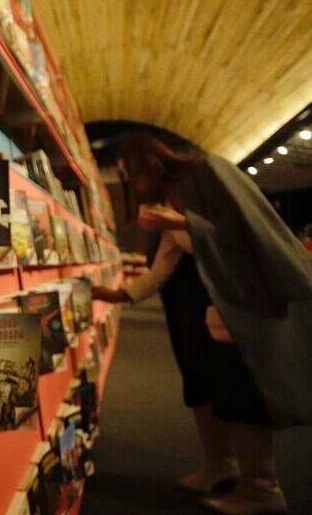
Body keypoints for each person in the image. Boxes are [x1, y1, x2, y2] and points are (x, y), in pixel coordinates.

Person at [95, 135, 312, 514]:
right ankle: (220, 466)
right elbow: (164, 263)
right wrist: (117, 295)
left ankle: (262, 488)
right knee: (203, 385)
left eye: (131, 175)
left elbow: (243, 234)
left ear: (146, 163)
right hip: (199, 308)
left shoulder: (206, 171)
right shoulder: (169, 198)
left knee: (241, 389)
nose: (132, 184)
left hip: (238, 304)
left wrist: (178, 220)